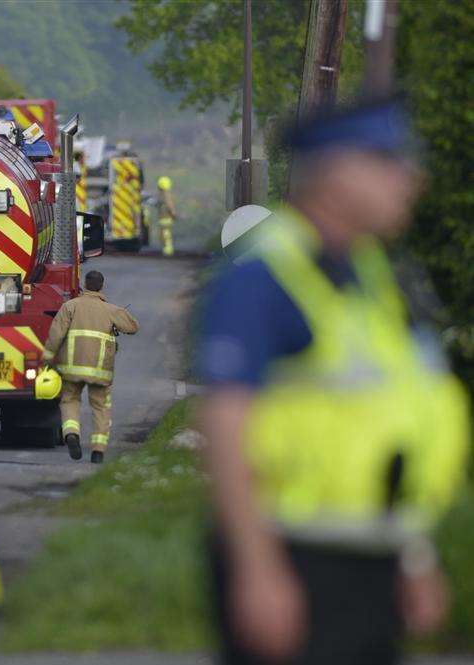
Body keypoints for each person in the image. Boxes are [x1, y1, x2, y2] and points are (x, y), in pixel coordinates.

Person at [196, 99, 470, 665]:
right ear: (338, 172)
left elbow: (385, 427)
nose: (411, 178)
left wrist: (412, 557)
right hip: (294, 559)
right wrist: (258, 571)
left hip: (370, 560)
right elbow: (225, 426)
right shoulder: (265, 275)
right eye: (390, 162)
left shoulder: (373, 276)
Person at [43, 270, 138, 463]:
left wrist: (48, 357)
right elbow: (133, 327)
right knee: (101, 407)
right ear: (101, 286)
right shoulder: (111, 310)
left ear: (85, 285)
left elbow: (56, 334)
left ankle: (71, 433)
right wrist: (121, 315)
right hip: (100, 370)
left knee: (70, 400)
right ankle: (98, 451)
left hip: (72, 368)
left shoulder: (70, 306)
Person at [156, 176, 177, 256]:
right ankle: (167, 248)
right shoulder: (164, 195)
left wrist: (173, 214)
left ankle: (168, 249)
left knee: (165, 233)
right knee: (164, 234)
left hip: (165, 218)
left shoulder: (165, 195)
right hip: (164, 218)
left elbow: (170, 206)